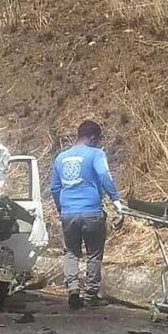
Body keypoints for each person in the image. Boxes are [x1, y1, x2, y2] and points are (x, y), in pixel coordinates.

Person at [50, 119, 123, 309]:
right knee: (94, 252)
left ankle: (73, 289)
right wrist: (116, 201)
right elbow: (104, 176)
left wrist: (61, 207)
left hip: (68, 212)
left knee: (71, 251)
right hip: (91, 211)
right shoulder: (96, 154)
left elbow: (54, 187)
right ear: (92, 137)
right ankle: (90, 294)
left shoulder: (61, 157)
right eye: (98, 139)